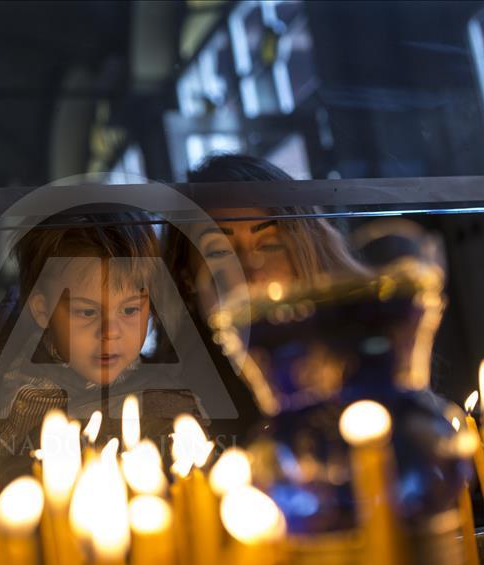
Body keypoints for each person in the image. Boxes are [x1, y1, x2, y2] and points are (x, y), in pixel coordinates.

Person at [0, 207, 206, 483]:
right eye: (87, 312)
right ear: (42, 310)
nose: (110, 332)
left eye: (130, 310)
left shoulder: (164, 408)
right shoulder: (12, 344)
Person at [157, 154, 367, 442]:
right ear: (187, 278)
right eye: (220, 252)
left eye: (270, 245)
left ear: (305, 252)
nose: (251, 270)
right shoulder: (171, 415)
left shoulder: (365, 369)